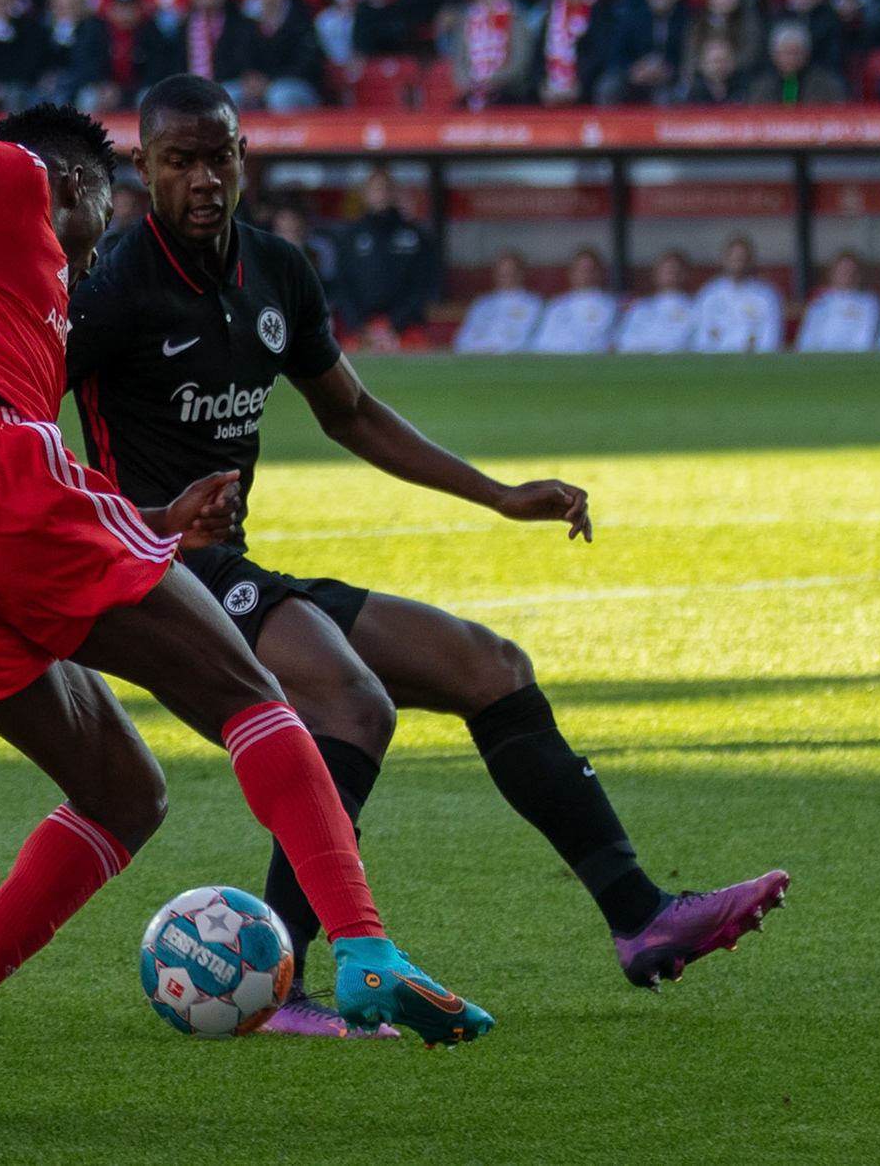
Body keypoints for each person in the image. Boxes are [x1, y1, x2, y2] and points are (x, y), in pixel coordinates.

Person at [0, 101, 493, 1117]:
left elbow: (18, 491)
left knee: (126, 792)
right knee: (252, 694)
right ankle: (365, 949)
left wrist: (160, 516)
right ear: (85, 187)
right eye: (108, 208)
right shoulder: (14, 177)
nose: (99, 246)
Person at [67, 75, 788, 1035]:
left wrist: (497, 494)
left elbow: (352, 412)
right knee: (352, 702)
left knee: (489, 667)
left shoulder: (277, 271)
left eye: (221, 155)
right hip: (154, 573)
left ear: (245, 156)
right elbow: (23, 424)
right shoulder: (112, 286)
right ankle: (274, 980)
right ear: (142, 171)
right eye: (180, 161)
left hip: (229, 567)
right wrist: (153, 515)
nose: (205, 179)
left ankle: (642, 919)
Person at [332, 168, 440, 350]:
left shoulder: (416, 236)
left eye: (386, 189)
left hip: (406, 328)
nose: (381, 194)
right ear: (365, 194)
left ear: (395, 193)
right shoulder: (350, 238)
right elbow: (342, 286)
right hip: (361, 331)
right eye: (376, 189)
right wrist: (362, 326)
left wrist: (395, 324)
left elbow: (424, 285)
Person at [596, 0, 686, 105]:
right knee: (609, 85)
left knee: (667, 98)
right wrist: (634, 70)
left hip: (669, 79)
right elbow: (614, 55)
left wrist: (669, 70)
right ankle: (609, 128)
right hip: (633, 75)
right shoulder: (630, 18)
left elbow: (690, 58)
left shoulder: (687, 20)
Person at [692, 236, 785, 353]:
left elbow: (771, 338)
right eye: (734, 258)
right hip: (715, 361)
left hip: (753, 362)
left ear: (750, 261)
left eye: (742, 258)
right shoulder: (709, 294)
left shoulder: (766, 295)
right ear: (724, 259)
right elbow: (701, 336)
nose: (738, 263)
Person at [530, 246, 618, 353]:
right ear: (572, 272)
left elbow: (604, 340)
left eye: (589, 270)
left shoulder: (609, 305)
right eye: (581, 270)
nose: (585, 275)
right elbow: (542, 341)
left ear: (598, 273)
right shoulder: (556, 305)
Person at [454, 250, 541, 353]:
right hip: (476, 357)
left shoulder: (533, 304)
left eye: (509, 273)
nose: (505, 278)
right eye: (501, 273)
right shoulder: (481, 304)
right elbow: (463, 339)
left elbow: (527, 341)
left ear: (520, 274)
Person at [796, 251, 880, 352]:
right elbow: (806, 340)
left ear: (858, 275)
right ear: (833, 274)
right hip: (819, 359)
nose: (847, 276)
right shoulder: (819, 304)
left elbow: (866, 338)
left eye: (851, 272)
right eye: (842, 272)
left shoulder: (869, 303)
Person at [616, 249, 697, 352]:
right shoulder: (640, 307)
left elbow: (683, 342)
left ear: (685, 274)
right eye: (666, 270)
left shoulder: (694, 307)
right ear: (656, 273)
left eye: (675, 270)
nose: (671, 274)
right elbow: (625, 341)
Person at [746, 22, 847, 104]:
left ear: (807, 53)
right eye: (786, 52)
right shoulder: (761, 87)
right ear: (774, 55)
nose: (791, 58)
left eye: (796, 52)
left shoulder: (827, 84)